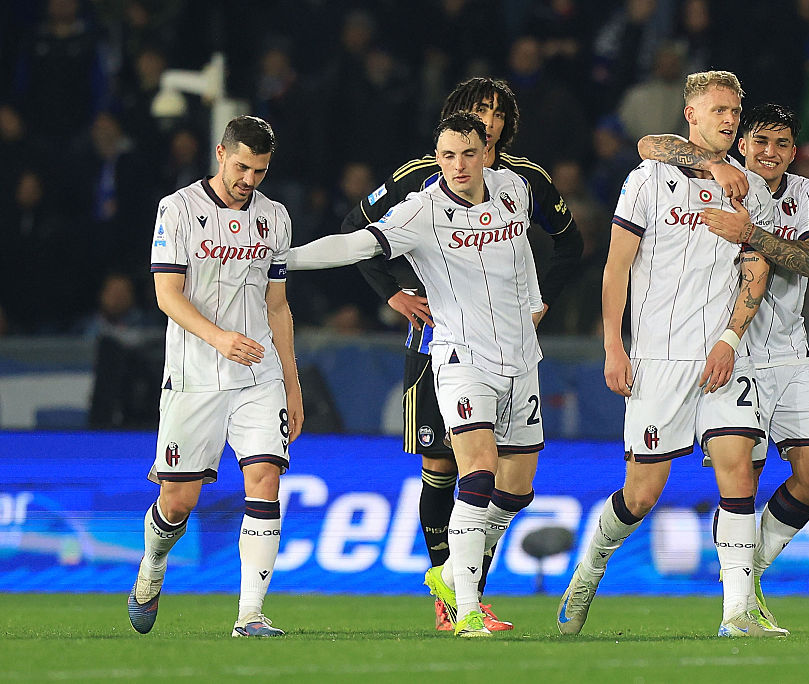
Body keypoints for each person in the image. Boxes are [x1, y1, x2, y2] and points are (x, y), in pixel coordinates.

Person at [339, 76, 583, 632]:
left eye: (496, 113)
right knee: (442, 465)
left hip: (508, 347)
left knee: (506, 481)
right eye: (477, 110)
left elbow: (571, 244)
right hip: (436, 343)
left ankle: (462, 579)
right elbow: (357, 230)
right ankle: (449, 594)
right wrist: (396, 294)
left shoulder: (523, 182)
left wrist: (539, 299)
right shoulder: (422, 178)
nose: (488, 119)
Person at [288, 112, 545, 638]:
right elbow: (356, 243)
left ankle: (448, 575)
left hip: (522, 359)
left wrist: (533, 306)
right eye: (447, 155)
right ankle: (468, 609)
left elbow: (522, 261)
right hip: (459, 358)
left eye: (469, 154)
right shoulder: (423, 209)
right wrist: (282, 259)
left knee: (517, 492)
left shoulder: (515, 188)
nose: (458, 165)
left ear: (488, 153)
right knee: (477, 473)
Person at [556, 71, 784, 638]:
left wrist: (731, 339)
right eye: (719, 110)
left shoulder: (749, 189)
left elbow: (756, 269)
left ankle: (737, 610)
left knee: (738, 472)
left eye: (736, 110)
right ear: (691, 115)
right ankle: (589, 567)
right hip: (657, 359)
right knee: (642, 493)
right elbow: (616, 267)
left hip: (723, 358)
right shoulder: (649, 178)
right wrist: (613, 344)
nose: (731, 120)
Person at [639, 103, 809, 633]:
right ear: (744, 145)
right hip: (734, 348)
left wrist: (748, 233)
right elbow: (650, 145)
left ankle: (746, 579)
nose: (769, 153)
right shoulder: (724, 179)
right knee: (742, 474)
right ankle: (738, 607)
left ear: (793, 152)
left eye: (782, 144)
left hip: (792, 354)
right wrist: (713, 163)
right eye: (760, 142)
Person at [128, 115, 304, 638]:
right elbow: (167, 296)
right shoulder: (177, 209)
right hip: (195, 375)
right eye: (243, 167)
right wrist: (220, 338)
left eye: (261, 171)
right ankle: (152, 568)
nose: (250, 180)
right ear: (221, 155)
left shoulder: (275, 217)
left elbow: (278, 306)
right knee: (178, 501)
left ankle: (250, 613)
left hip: (258, 374)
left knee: (265, 480)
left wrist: (292, 384)